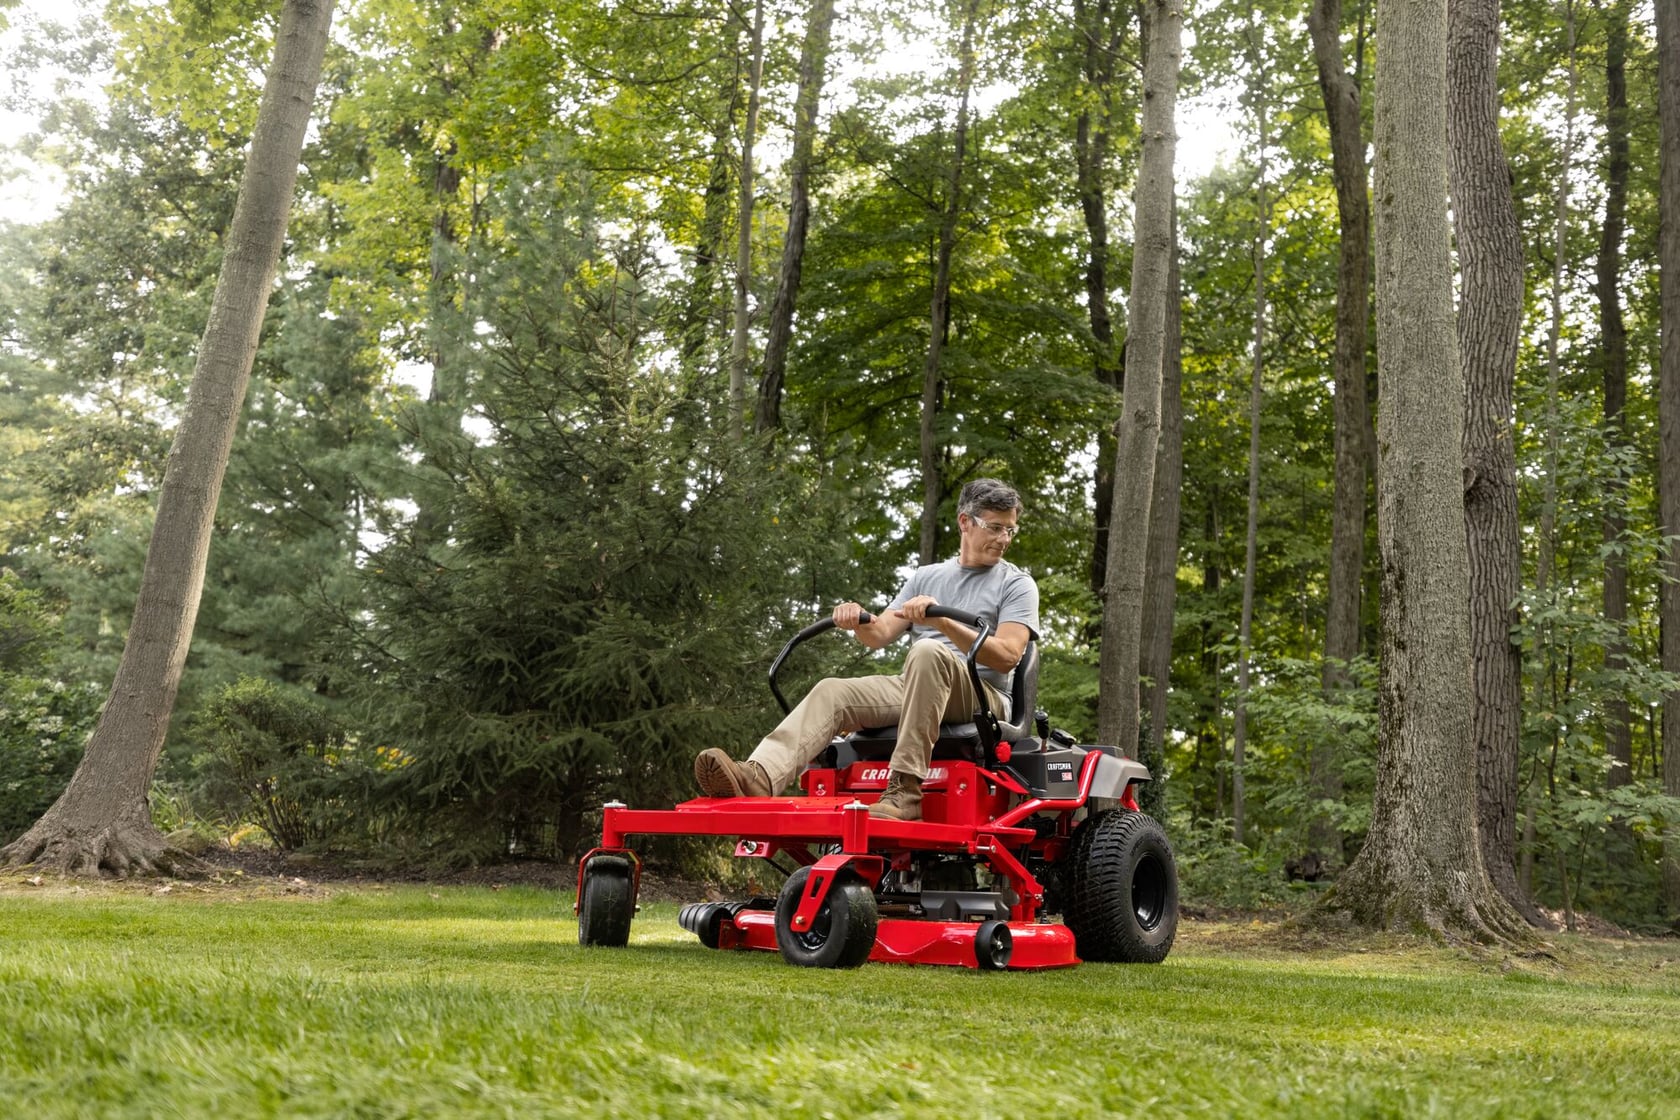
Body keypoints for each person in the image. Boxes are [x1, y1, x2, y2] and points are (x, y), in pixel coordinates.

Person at [694, 478, 1040, 821]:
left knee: (926, 652)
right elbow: (879, 633)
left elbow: (1008, 656)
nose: (1004, 539)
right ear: (965, 522)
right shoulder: (926, 577)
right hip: (921, 684)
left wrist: (943, 623)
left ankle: (905, 791)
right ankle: (759, 776)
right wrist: (856, 619)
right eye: (995, 528)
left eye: (1010, 530)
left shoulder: (1016, 584)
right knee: (833, 691)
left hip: (982, 694)